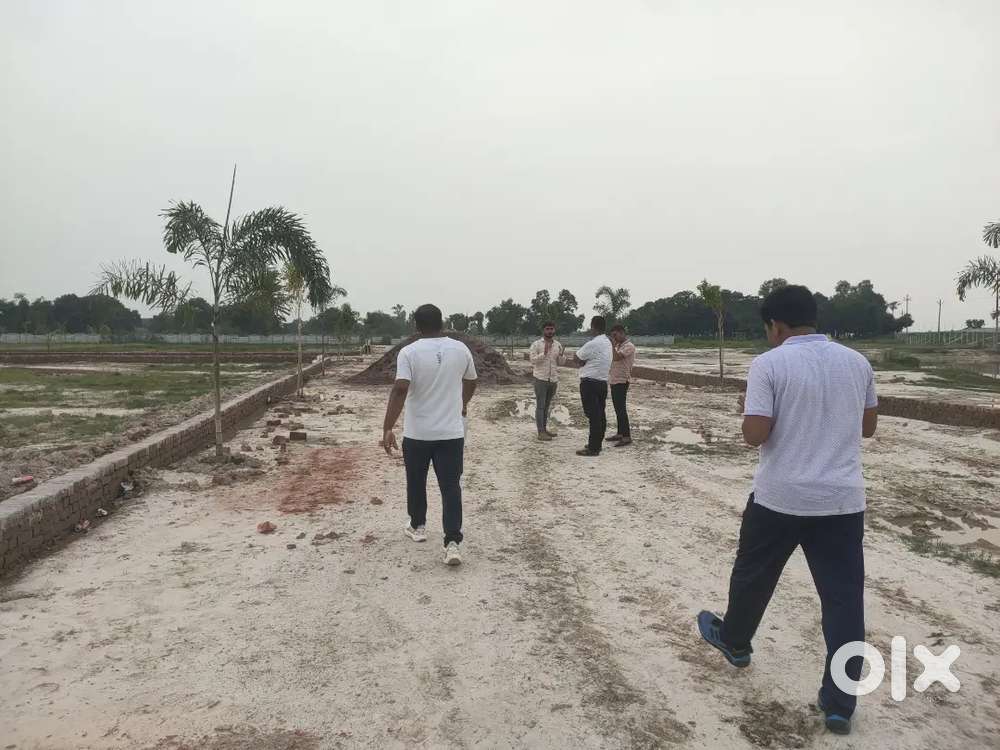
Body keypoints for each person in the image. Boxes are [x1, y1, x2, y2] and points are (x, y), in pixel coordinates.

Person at [696, 285, 878, 736]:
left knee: (753, 576)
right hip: (841, 502)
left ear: (775, 325)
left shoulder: (769, 364)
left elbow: (755, 435)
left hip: (780, 499)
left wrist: (751, 411)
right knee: (843, 602)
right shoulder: (857, 362)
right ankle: (840, 704)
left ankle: (736, 642)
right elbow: (868, 427)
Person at [381, 303, 478, 566]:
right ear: (442, 322)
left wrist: (388, 427)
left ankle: (418, 526)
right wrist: (462, 404)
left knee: (416, 480)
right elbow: (471, 381)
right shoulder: (460, 349)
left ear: (416, 326)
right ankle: (452, 543)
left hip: (418, 433)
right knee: (450, 486)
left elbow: (400, 389)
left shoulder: (409, 352)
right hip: (451, 432)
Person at [572, 315, 612, 457]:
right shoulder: (607, 342)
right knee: (600, 414)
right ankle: (597, 443)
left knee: (593, 415)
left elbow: (576, 358)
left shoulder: (593, 343)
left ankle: (593, 448)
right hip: (602, 382)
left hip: (590, 383)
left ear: (593, 327)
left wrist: (583, 362)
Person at [528, 321, 565, 441]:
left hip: (553, 379)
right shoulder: (536, 344)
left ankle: (544, 429)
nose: (550, 331)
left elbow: (560, 363)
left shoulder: (558, 345)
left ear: (554, 330)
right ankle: (540, 432)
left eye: (551, 329)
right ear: (543, 330)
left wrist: (562, 356)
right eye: (547, 329)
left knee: (547, 406)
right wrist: (543, 353)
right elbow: (532, 360)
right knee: (540, 406)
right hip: (540, 379)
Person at [606, 324, 637, 447]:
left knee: (621, 409)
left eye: (615, 335)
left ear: (622, 333)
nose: (614, 338)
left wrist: (612, 345)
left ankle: (626, 436)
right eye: (612, 335)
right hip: (614, 379)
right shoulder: (618, 346)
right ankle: (620, 433)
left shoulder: (629, 346)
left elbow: (616, 357)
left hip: (622, 380)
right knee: (617, 409)